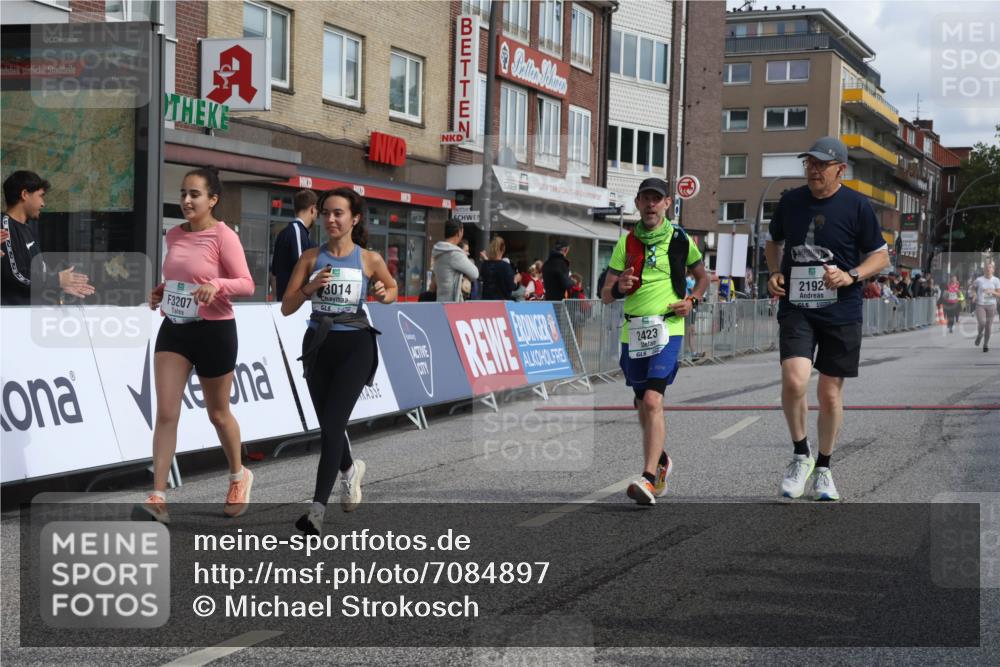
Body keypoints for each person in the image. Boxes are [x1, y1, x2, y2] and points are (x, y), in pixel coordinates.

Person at [765, 137, 890, 502]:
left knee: (830, 394)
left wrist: (851, 275)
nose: (814, 170)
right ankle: (800, 454)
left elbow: (880, 256)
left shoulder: (856, 205)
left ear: (840, 169)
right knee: (794, 379)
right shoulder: (790, 202)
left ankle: (823, 467)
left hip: (841, 309)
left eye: (821, 164)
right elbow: (773, 241)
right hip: (798, 307)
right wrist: (773, 271)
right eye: (809, 164)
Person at [133, 167, 256, 524]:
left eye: (195, 195)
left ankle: (238, 475)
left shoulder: (223, 236)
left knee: (218, 413)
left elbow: (246, 283)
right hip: (175, 328)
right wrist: (162, 291)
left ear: (212, 199)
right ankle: (158, 496)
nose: (186, 200)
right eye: (184, 193)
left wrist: (218, 285)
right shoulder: (173, 234)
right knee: (167, 412)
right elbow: (179, 277)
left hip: (215, 330)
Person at [281, 187, 397, 535]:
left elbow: (390, 289)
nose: (331, 219)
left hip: (355, 347)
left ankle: (316, 510)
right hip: (318, 345)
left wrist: (382, 293)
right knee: (330, 427)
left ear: (354, 218)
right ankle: (349, 471)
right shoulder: (310, 258)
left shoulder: (368, 259)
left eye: (338, 213)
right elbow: (286, 307)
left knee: (333, 425)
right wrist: (309, 288)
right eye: (326, 213)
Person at [601, 177, 708, 505]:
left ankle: (648, 478)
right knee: (640, 403)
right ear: (637, 203)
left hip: (668, 328)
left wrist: (692, 300)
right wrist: (620, 287)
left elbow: (702, 277)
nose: (650, 204)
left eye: (656, 199)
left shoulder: (679, 239)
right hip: (633, 332)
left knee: (652, 401)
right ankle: (661, 460)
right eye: (645, 198)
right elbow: (605, 295)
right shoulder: (626, 242)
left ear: (667, 203)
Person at [2, 170, 95, 306]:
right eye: (41, 196)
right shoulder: (4, 226)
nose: (43, 203)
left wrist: (60, 285)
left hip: (32, 315)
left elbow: (38, 272)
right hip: (14, 318)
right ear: (24, 195)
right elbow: (16, 275)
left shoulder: (27, 228)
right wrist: (56, 280)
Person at [269, 189, 318, 302]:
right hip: (295, 302)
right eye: (317, 211)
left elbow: (275, 272)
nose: (316, 214)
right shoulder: (296, 231)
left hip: (287, 301)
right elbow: (301, 268)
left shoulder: (287, 232)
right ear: (312, 209)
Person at [432, 218, 479, 302]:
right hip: (453, 303)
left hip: (440, 300)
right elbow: (475, 273)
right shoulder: (454, 254)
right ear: (459, 232)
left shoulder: (438, 251)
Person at [972, 261, 999, 352]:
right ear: (984, 269)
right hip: (981, 304)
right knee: (982, 322)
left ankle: (986, 344)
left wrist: (992, 292)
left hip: (991, 305)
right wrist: (974, 295)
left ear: (993, 270)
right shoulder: (979, 280)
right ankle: (980, 335)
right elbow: (973, 288)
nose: (988, 269)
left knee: (988, 326)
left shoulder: (996, 280)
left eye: (990, 267)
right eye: (987, 267)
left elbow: (999, 294)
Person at [480, 236, 517, 300]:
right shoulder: (505, 266)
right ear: (503, 249)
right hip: (501, 304)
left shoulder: (485, 265)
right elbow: (511, 286)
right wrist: (516, 279)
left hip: (486, 302)